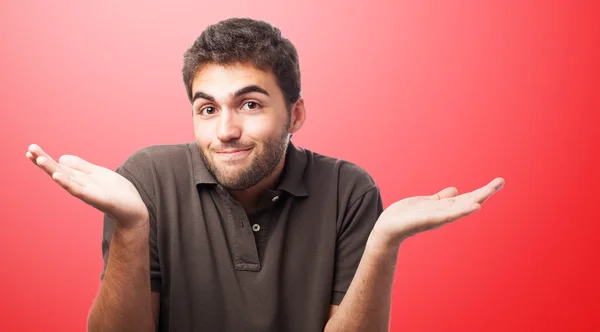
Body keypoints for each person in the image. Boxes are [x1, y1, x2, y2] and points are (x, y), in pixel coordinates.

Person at [25, 17, 504, 332]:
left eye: (250, 105)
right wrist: (132, 228)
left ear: (295, 115)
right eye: (207, 108)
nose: (226, 130)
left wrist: (384, 243)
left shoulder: (348, 190)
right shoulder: (145, 180)